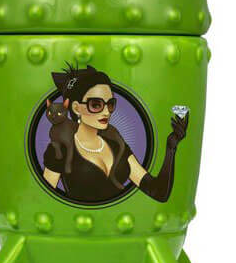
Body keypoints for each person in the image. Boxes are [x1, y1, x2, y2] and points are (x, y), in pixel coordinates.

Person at [43, 65, 188, 203]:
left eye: (110, 104)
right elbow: (45, 200)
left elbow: (158, 192)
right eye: (96, 105)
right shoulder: (59, 151)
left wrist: (171, 148)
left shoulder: (116, 145)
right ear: (76, 108)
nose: (106, 112)